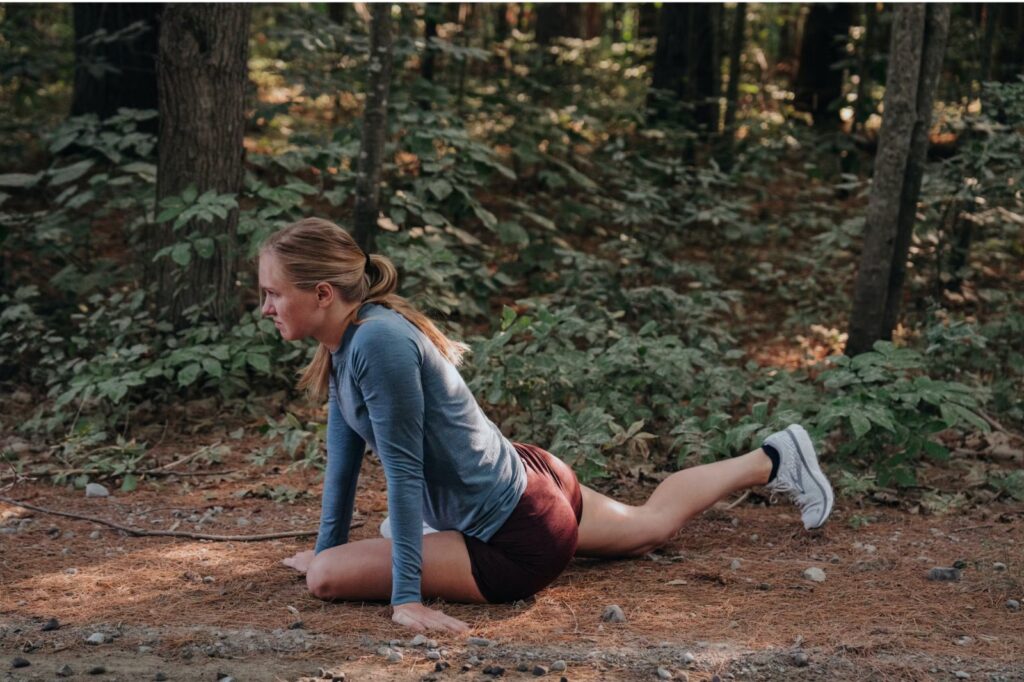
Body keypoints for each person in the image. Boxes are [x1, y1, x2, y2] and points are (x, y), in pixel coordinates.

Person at [262, 218, 834, 633]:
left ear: (322, 293)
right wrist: (324, 543)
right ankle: (773, 458)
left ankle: (775, 459)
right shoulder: (347, 341)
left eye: (272, 294)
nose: (265, 307)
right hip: (532, 483)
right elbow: (343, 458)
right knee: (650, 526)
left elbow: (405, 471)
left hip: (514, 536)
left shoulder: (379, 343)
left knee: (329, 578)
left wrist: (404, 597)